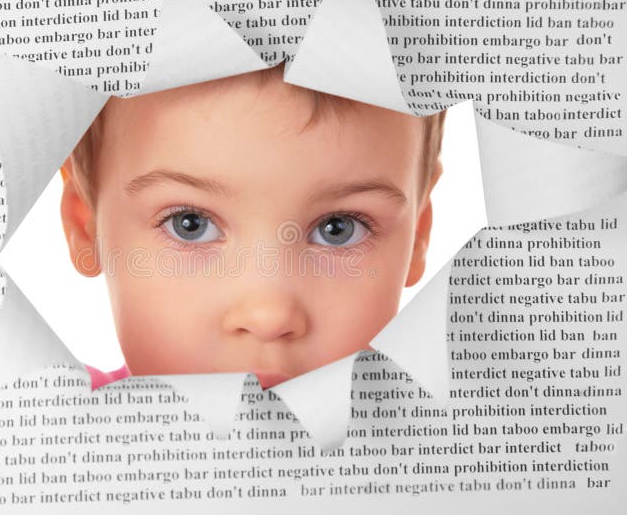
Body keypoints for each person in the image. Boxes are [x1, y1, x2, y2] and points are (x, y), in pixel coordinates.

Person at [59, 64, 446, 390]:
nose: (269, 315)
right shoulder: (44, 437)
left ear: (417, 236)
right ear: (86, 226)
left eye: (337, 228)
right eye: (190, 225)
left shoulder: (454, 448)